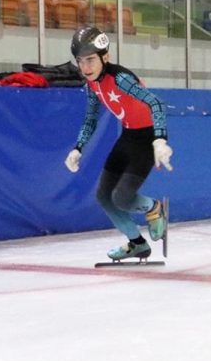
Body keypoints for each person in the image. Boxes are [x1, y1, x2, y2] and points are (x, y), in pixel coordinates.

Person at [63, 26, 173, 262]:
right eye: (80, 61)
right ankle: (137, 244)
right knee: (103, 196)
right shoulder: (92, 84)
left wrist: (160, 139)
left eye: (90, 60)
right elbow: (91, 119)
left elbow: (157, 104)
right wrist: (77, 148)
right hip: (128, 136)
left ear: (106, 57)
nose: (85, 68)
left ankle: (154, 208)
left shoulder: (121, 79)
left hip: (147, 140)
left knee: (122, 198)